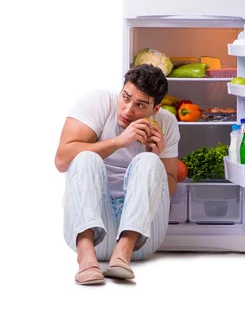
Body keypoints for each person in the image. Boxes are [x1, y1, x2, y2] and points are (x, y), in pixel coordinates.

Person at [54, 64, 180, 285]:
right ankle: (85, 256)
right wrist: (118, 142)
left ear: (156, 109)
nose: (127, 110)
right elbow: (62, 160)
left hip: (140, 240)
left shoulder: (166, 124)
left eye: (140, 105)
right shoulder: (99, 103)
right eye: (126, 97)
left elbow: (169, 188)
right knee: (85, 157)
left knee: (149, 161)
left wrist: (156, 160)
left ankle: (122, 253)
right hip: (88, 228)